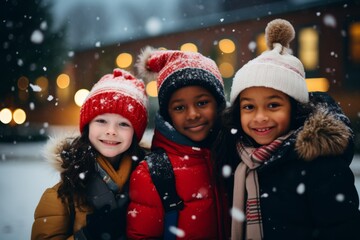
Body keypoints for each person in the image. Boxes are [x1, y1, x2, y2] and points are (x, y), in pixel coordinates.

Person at [213, 18, 360, 240]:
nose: (260, 117)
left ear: (294, 108)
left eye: (273, 105)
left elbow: (342, 229)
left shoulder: (320, 164)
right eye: (249, 107)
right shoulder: (235, 156)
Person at [31, 68, 148, 240]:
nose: (111, 131)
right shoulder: (63, 195)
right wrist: (88, 235)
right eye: (101, 121)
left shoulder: (152, 182)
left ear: (135, 133)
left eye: (123, 124)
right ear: (88, 127)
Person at [126, 47, 230, 239]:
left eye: (202, 103)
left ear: (219, 104)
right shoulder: (153, 173)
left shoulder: (237, 154)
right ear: (168, 115)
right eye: (180, 107)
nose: (192, 115)